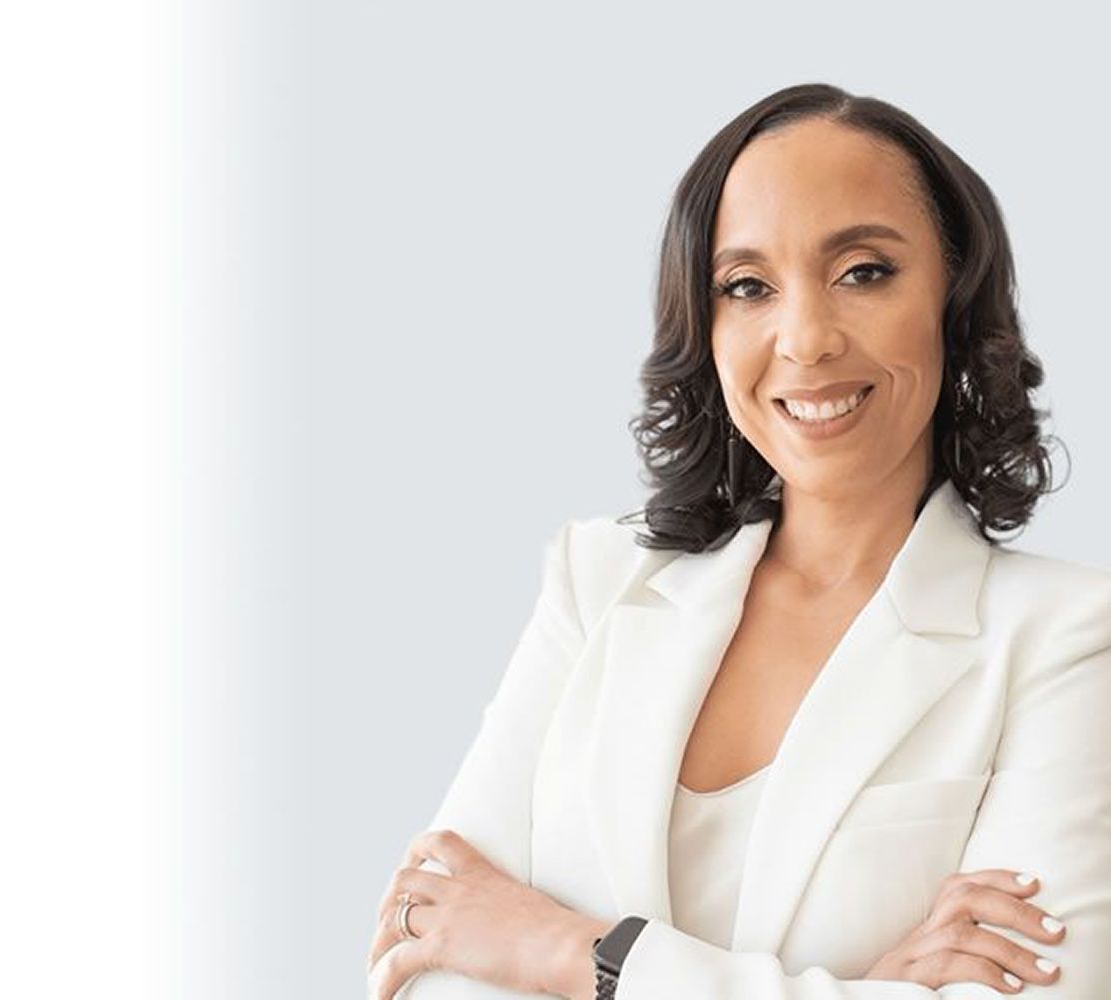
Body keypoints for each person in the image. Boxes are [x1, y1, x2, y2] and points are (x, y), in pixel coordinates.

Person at [364, 82, 1111, 1000]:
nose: (804, 338)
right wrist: (862, 987)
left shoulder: (1067, 639)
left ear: (954, 304)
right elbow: (429, 964)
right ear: (705, 328)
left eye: (864, 271)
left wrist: (581, 957)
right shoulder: (596, 585)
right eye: (747, 286)